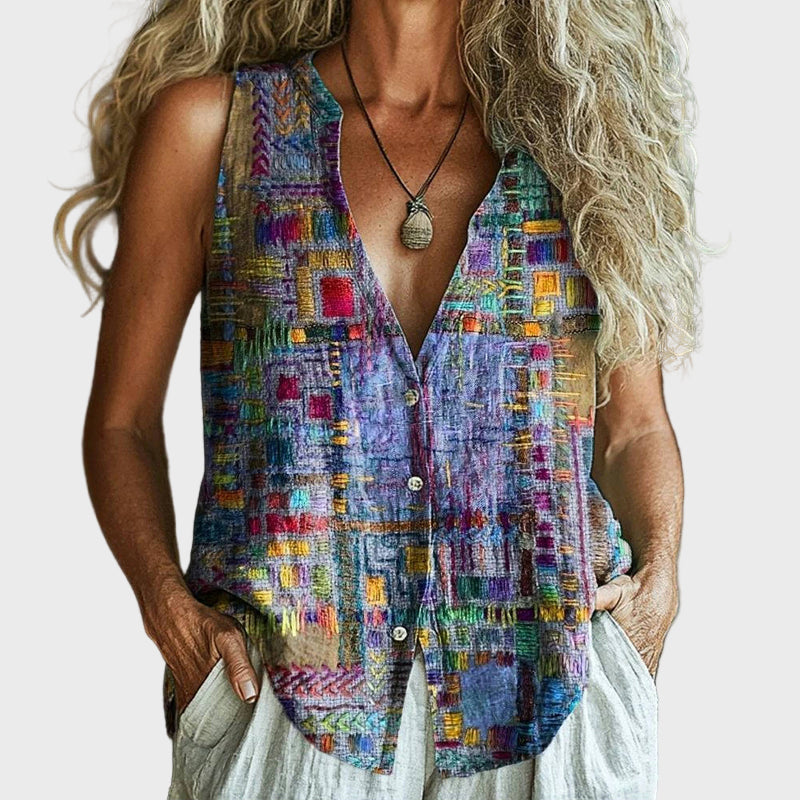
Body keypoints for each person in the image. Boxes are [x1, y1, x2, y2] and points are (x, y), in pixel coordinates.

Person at [56, 1, 706, 798]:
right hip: (291, 698)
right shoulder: (217, 129)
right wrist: (169, 612)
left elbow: (633, 428)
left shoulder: (582, 138)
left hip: (548, 696)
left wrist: (660, 584)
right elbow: (121, 423)